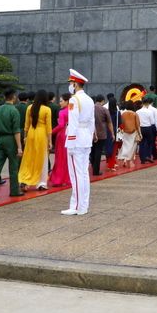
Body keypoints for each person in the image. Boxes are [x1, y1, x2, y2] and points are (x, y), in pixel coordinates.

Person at [62, 69, 95, 216]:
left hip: (76, 139)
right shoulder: (89, 99)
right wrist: (90, 135)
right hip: (86, 137)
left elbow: (73, 121)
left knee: (76, 174)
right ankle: (83, 205)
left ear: (75, 84)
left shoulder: (74, 100)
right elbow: (92, 121)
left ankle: (76, 206)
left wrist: (70, 141)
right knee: (83, 174)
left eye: (71, 83)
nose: (70, 85)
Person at [0, 89, 23, 197]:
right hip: (11, 140)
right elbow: (16, 131)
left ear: (4, 98)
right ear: (14, 98)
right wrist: (19, 147)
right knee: (13, 167)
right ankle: (14, 191)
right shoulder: (14, 111)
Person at [18, 90, 51, 190]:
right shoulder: (46, 109)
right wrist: (50, 142)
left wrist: (25, 137)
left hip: (31, 134)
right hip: (42, 135)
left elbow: (26, 125)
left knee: (29, 158)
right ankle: (41, 183)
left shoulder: (29, 108)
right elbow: (49, 128)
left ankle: (25, 179)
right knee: (42, 158)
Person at [48, 94, 71, 187]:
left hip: (62, 136)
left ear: (67, 101)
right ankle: (68, 178)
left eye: (61, 101)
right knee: (68, 158)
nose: (60, 103)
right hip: (71, 135)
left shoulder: (62, 112)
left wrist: (50, 132)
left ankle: (58, 179)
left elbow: (61, 125)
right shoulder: (73, 110)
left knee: (60, 157)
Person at [91, 94, 113, 176]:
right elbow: (109, 122)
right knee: (98, 152)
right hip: (101, 134)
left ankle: (93, 166)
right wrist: (112, 133)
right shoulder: (104, 110)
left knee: (92, 151)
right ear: (102, 101)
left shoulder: (90, 109)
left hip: (91, 133)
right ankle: (96, 171)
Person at [137, 96, 157, 163]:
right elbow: (152, 122)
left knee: (141, 143)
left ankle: (142, 159)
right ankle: (148, 156)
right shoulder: (150, 112)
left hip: (141, 128)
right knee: (149, 143)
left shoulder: (138, 111)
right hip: (148, 128)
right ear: (147, 104)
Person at [117, 101, 139, 167]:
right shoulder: (135, 114)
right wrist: (139, 133)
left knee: (126, 146)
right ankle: (129, 161)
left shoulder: (123, 114)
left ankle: (124, 159)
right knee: (132, 146)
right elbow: (137, 124)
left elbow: (121, 123)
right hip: (133, 132)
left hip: (125, 132)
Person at [104, 94, 119, 171]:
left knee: (108, 147)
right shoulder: (117, 113)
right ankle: (111, 165)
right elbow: (120, 123)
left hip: (107, 131)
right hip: (115, 131)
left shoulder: (106, 112)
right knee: (113, 149)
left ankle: (109, 163)